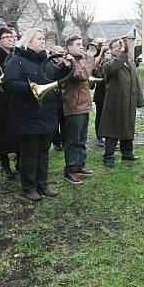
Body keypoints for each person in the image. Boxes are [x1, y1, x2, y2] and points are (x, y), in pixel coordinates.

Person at [3, 28, 72, 199]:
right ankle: (29, 187)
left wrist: (65, 67)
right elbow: (9, 84)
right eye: (39, 39)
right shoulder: (17, 60)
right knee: (29, 154)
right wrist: (32, 90)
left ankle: (43, 185)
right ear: (28, 42)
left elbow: (55, 78)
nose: (43, 41)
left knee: (43, 151)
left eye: (43, 39)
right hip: (27, 115)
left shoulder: (46, 60)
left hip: (47, 114)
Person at [98, 37, 144, 167]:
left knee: (128, 126)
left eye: (121, 46)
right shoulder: (108, 61)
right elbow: (110, 69)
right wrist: (122, 55)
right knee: (112, 129)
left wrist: (138, 100)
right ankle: (108, 156)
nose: (120, 48)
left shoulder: (129, 62)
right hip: (115, 102)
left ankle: (127, 153)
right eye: (117, 47)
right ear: (111, 50)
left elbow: (135, 82)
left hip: (129, 101)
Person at [59, 34, 96, 184]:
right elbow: (82, 76)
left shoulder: (78, 61)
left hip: (83, 106)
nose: (82, 47)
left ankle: (80, 165)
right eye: (78, 44)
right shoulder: (68, 62)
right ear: (69, 47)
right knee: (72, 141)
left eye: (82, 44)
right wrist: (91, 60)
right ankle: (71, 170)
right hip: (73, 107)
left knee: (81, 139)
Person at [0, 26, 20, 179]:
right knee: (2, 129)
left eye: (12, 36)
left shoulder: (15, 52)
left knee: (19, 127)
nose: (11, 39)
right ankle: (4, 163)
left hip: (16, 95)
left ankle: (20, 160)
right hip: (1, 97)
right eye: (7, 37)